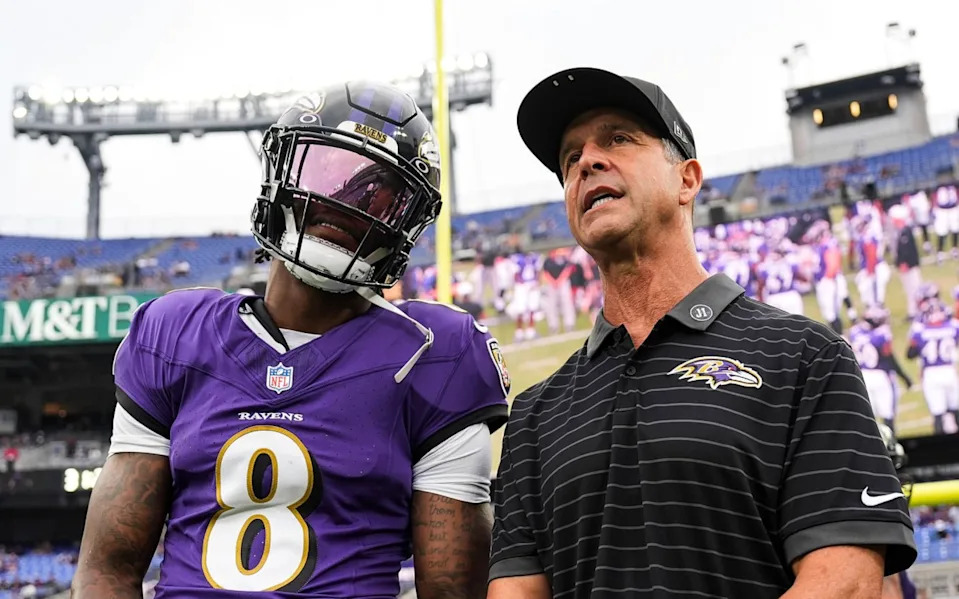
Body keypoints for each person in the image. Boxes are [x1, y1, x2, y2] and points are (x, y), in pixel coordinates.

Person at [489, 67, 916, 599]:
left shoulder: (805, 357)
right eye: (570, 158)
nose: (587, 162)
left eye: (619, 139)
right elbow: (517, 593)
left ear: (687, 179)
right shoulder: (534, 414)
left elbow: (845, 580)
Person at [72, 81, 510, 598]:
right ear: (281, 173)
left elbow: (454, 593)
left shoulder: (437, 353)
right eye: (328, 173)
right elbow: (107, 572)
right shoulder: (176, 332)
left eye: (382, 194)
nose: (347, 203)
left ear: (406, 223)